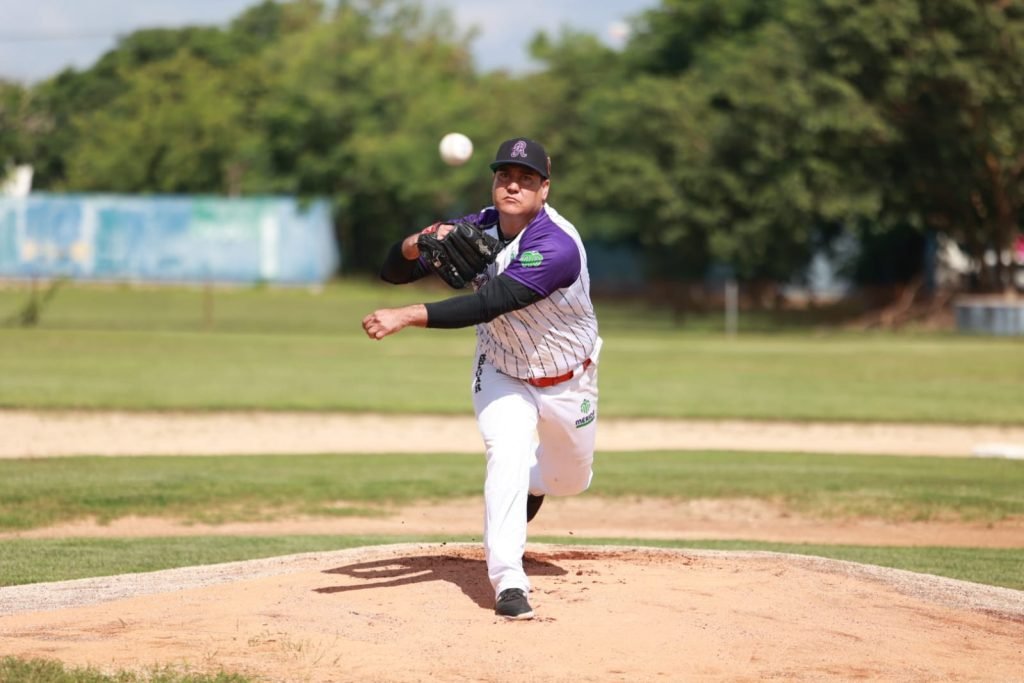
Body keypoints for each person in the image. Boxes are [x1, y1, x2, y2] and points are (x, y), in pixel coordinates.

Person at [362, 137, 601, 620]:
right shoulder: (478, 227)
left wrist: (407, 315)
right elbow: (394, 271)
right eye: (504, 176)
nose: (513, 185)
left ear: (544, 189)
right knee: (506, 453)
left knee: (569, 479)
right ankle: (509, 581)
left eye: (526, 178)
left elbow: (491, 302)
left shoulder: (556, 245)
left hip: (568, 379)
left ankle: (536, 484)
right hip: (501, 369)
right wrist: (418, 241)